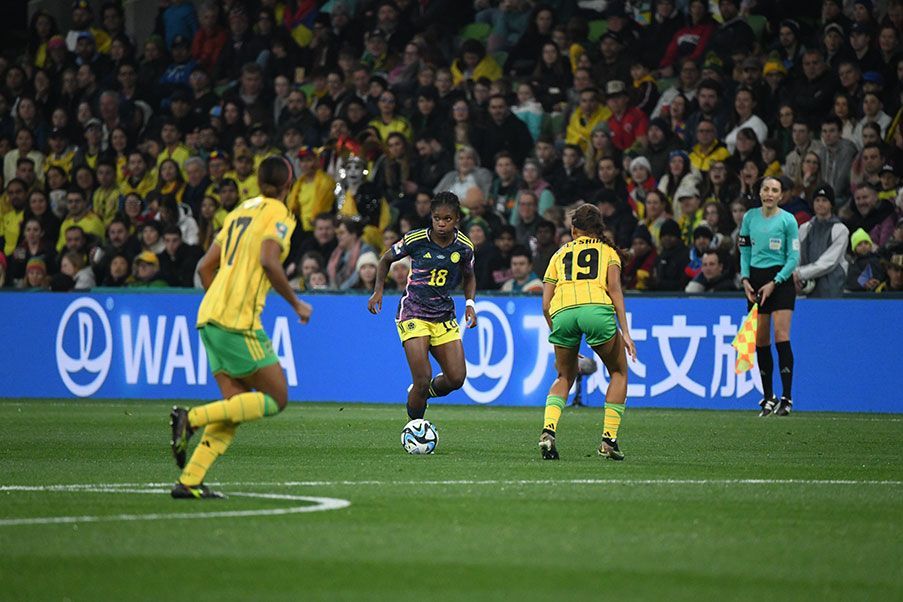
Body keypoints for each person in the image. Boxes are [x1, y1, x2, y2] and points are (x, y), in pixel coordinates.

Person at [168, 157, 313, 499]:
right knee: (276, 398)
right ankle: (190, 418)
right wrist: (296, 303)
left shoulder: (236, 214)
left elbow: (205, 267)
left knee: (235, 405)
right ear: (288, 182)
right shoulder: (279, 213)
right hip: (237, 322)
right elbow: (268, 258)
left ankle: (189, 480)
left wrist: (220, 301)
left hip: (208, 316)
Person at [368, 191, 477, 423]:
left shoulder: (465, 247)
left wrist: (470, 304)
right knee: (422, 377)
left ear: (457, 219)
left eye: (447, 219)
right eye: (437, 218)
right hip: (413, 313)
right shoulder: (415, 240)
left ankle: (420, 395)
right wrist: (378, 290)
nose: (441, 223)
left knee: (456, 378)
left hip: (444, 315)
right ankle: (414, 428)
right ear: (431, 217)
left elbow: (469, 276)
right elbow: (386, 259)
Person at [537, 204, 636, 461]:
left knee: (563, 375)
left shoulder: (559, 254)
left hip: (564, 314)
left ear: (573, 230)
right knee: (618, 372)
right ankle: (608, 440)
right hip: (596, 312)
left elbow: (545, 304)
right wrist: (625, 332)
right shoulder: (607, 251)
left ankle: (548, 431)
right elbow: (615, 291)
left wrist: (556, 331)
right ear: (598, 229)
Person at [739, 176, 801, 417]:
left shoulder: (788, 220)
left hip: (780, 280)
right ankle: (768, 397)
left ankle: (786, 397)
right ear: (760, 192)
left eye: (774, 190)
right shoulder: (749, 217)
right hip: (755, 280)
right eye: (766, 188)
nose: (769, 194)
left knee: (781, 335)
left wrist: (775, 282)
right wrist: (745, 279)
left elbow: (793, 258)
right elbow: (744, 250)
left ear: (781, 195)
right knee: (761, 339)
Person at [795, 186, 849, 297]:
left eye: (824, 200)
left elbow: (829, 262)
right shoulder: (804, 228)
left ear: (831, 204)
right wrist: (794, 274)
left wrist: (800, 273)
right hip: (806, 290)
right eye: (817, 200)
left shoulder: (840, 229)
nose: (820, 204)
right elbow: (797, 256)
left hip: (831, 289)